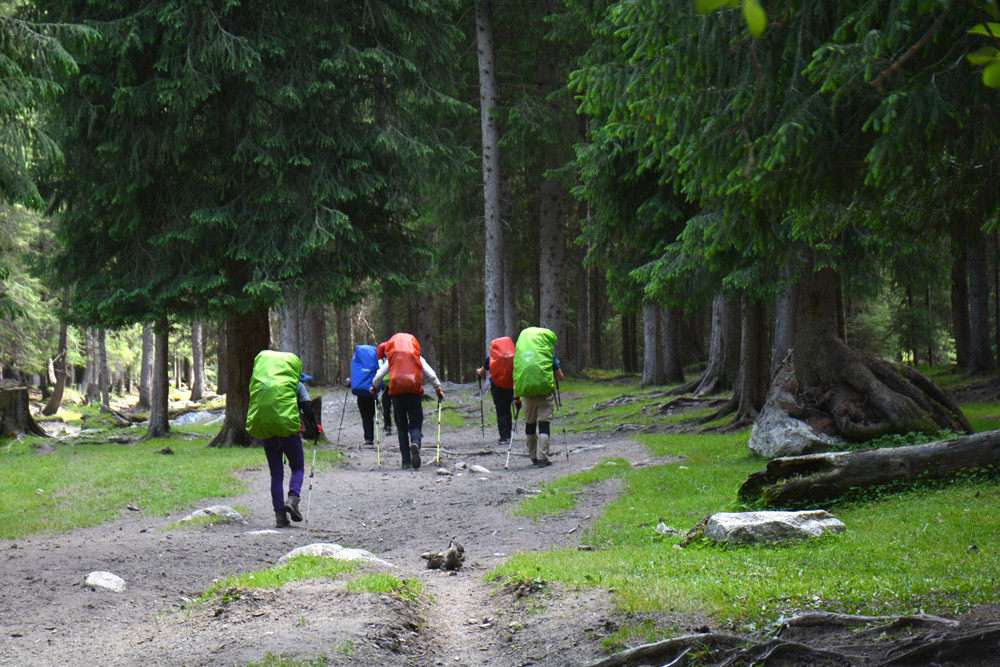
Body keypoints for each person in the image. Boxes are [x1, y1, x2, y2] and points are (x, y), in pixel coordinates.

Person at [246, 350, 316, 527]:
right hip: (288, 432)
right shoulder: (296, 384)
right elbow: (307, 408)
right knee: (298, 467)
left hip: (267, 430)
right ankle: (292, 499)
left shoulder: (262, 382)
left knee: (276, 474)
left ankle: (279, 516)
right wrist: (315, 428)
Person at [371, 332, 444, 470]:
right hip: (413, 394)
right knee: (415, 423)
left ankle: (405, 461)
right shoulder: (416, 356)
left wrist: (374, 387)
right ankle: (415, 443)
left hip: (397, 395)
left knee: (402, 427)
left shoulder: (392, 358)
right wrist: (438, 389)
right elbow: (431, 374)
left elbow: (379, 374)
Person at [513, 327, 564, 468]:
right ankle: (543, 458)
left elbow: (517, 378)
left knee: (530, 425)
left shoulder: (521, 356)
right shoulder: (548, 355)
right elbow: (560, 377)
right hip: (544, 396)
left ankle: (533, 457)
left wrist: (516, 398)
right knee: (544, 425)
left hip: (527, 397)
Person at [476, 336, 516, 448]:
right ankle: (509, 434)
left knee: (500, 410)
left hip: (497, 387)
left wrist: (478, 371)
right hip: (509, 386)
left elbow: (481, 372)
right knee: (507, 409)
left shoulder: (491, 359)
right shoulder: (512, 357)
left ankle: (503, 437)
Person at [349, 344, 380, 446]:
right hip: (372, 391)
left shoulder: (356, 362)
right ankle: (371, 436)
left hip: (361, 393)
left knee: (365, 415)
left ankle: (368, 438)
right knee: (371, 414)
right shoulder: (374, 360)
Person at [376, 342, 393, 435]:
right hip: (386, 386)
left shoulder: (395, 359)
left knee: (397, 407)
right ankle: (388, 425)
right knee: (386, 406)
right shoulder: (381, 361)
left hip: (395, 385)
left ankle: (399, 425)